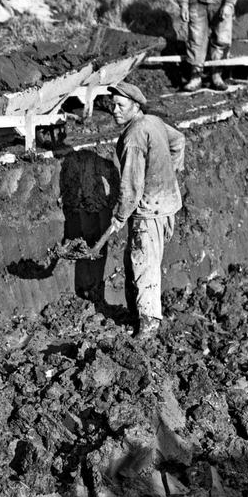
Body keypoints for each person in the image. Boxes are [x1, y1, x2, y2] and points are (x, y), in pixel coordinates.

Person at [100, 82, 186, 337]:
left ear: (135, 106)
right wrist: (168, 174)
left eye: (120, 106)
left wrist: (119, 217)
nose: (114, 110)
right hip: (167, 205)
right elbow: (178, 141)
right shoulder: (152, 121)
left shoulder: (135, 136)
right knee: (135, 260)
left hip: (148, 212)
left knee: (143, 265)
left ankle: (148, 325)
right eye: (112, 105)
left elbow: (131, 187)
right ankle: (136, 315)